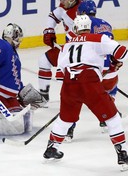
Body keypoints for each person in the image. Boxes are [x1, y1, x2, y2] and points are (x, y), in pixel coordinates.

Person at [43, 14, 128, 171]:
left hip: (69, 83)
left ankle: (52, 148)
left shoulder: (67, 45)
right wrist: (115, 62)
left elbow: (61, 71)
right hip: (89, 82)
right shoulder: (98, 38)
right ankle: (122, 154)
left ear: (75, 28)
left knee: (65, 119)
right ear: (89, 27)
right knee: (112, 117)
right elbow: (122, 52)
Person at [77, 0, 120, 130]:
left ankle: (69, 130)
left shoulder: (82, 25)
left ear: (83, 12)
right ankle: (106, 119)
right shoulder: (107, 24)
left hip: (94, 72)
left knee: (75, 97)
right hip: (111, 73)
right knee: (110, 89)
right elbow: (113, 50)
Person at [38, 0, 81, 102]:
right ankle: (43, 97)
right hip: (69, 49)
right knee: (44, 60)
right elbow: (53, 16)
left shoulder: (81, 12)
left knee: (67, 75)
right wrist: (49, 30)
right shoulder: (64, 7)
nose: (61, 1)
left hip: (80, 52)